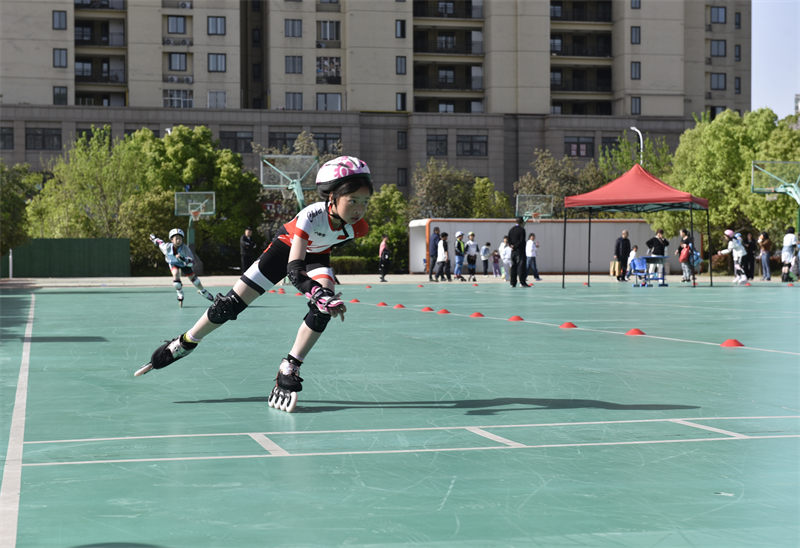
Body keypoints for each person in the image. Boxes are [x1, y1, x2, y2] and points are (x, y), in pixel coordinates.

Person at [135, 156, 374, 414]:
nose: (359, 209)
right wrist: (316, 291)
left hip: (316, 256)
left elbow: (322, 249)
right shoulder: (311, 215)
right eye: (353, 201)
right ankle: (186, 341)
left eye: (365, 201)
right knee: (228, 306)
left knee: (322, 309)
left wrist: (322, 294)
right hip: (284, 250)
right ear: (332, 197)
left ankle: (290, 366)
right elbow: (294, 270)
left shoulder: (359, 227)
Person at [149, 228, 214, 307]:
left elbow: (192, 262)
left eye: (180, 238)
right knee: (175, 274)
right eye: (176, 238)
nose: (178, 240)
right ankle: (179, 293)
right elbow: (159, 242)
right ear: (171, 240)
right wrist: (153, 238)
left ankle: (202, 291)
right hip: (173, 263)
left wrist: (183, 259)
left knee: (196, 281)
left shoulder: (185, 248)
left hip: (184, 264)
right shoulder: (166, 247)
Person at [507, 217, 529, 287]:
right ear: (522, 222)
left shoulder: (511, 230)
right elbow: (521, 240)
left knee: (513, 267)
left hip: (513, 251)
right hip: (520, 251)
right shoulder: (522, 230)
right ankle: (522, 282)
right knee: (521, 267)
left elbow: (508, 239)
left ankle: (512, 283)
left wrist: (511, 246)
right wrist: (516, 246)